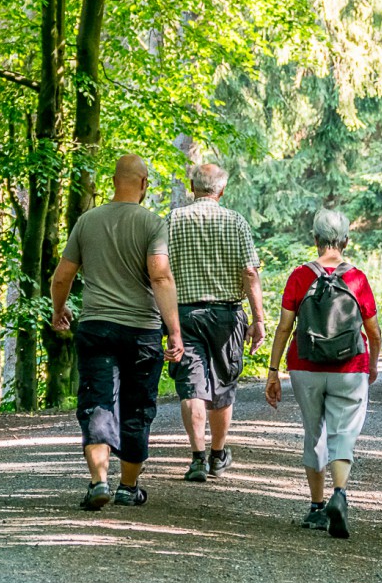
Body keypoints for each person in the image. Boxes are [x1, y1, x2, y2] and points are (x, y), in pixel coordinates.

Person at [51, 154, 184, 511]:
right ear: (143, 184)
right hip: (141, 329)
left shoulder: (87, 221)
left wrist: (59, 309)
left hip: (96, 326)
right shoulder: (153, 224)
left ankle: (98, 482)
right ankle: (128, 486)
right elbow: (160, 276)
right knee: (137, 407)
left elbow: (62, 276)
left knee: (97, 402)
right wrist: (174, 330)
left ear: (114, 181)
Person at [264, 209, 381, 539]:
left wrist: (273, 372)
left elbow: (285, 327)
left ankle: (316, 508)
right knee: (342, 432)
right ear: (346, 241)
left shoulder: (300, 276)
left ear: (314, 239)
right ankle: (339, 495)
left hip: (306, 367)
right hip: (349, 368)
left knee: (314, 431)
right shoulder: (357, 278)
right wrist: (372, 363)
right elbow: (373, 331)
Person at [166, 163, 266, 482]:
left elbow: (158, 273)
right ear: (221, 190)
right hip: (226, 315)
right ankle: (218, 455)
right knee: (222, 385)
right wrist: (259, 319)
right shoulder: (236, 221)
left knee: (191, 387)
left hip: (184, 315)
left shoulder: (172, 220)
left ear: (191, 187)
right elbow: (250, 272)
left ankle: (197, 458)